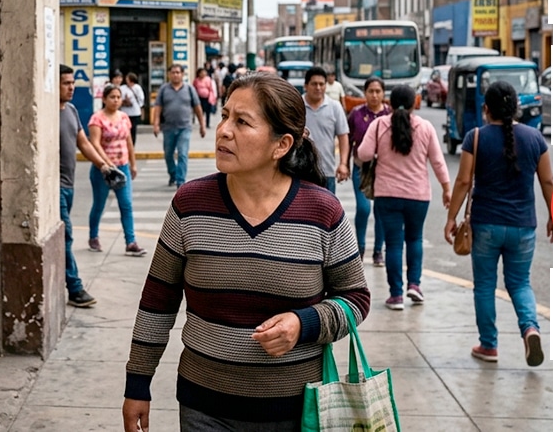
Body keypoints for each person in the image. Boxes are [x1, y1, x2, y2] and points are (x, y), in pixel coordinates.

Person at [123, 73, 370, 431]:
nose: (223, 130)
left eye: (242, 122)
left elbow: (356, 298)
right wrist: (137, 384)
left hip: (297, 411)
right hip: (203, 407)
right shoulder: (190, 204)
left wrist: (305, 323)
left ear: (281, 145)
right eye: (225, 115)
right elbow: (157, 301)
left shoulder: (323, 211)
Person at [445, 80, 553, 366]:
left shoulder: (476, 137)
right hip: (523, 226)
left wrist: (451, 217)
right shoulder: (535, 138)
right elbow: (547, 181)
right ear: (517, 108)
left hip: (485, 225)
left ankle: (489, 345)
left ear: (486, 109)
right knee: (520, 284)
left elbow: (464, 180)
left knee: (484, 285)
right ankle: (530, 328)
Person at [357, 85, 451, 311]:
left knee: (393, 244)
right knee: (415, 239)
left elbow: (363, 154)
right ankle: (415, 285)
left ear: (389, 102)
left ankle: (396, 295)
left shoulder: (379, 125)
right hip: (418, 196)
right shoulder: (425, 127)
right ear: (413, 104)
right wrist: (447, 188)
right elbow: (437, 162)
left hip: (387, 194)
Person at [59, 65, 117, 308]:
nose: (71, 87)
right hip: (56, 187)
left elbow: (83, 143)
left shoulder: (71, 110)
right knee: (67, 235)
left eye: (72, 82)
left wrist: (105, 165)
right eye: (66, 83)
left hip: (69, 185)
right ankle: (74, 287)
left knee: (65, 235)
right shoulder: (46, 113)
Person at [89, 84, 146, 256]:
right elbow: (95, 144)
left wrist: (133, 164)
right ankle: (93, 236)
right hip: (103, 169)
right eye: (112, 97)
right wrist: (107, 164)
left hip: (122, 167)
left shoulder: (123, 117)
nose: (115, 100)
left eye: (118, 97)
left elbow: (129, 143)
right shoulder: (97, 119)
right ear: (104, 99)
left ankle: (131, 241)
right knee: (99, 204)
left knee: (126, 204)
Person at [347, 76, 390, 268]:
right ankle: (361, 247)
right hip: (361, 167)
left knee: (381, 210)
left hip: (384, 168)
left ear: (383, 93)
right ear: (365, 93)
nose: (374, 95)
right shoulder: (356, 114)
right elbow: (347, 140)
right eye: (371, 91)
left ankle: (378, 251)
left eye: (378, 91)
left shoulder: (390, 114)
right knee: (363, 208)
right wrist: (344, 164)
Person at [152, 64, 206, 188]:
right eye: (173, 72)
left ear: (182, 74)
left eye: (178, 72)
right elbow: (158, 107)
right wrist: (156, 124)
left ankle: (180, 181)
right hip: (168, 127)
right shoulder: (164, 89)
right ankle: (173, 173)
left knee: (182, 153)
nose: (175, 74)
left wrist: (202, 125)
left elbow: (197, 107)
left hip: (185, 127)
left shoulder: (189, 89)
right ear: (169, 74)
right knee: (168, 154)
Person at [302, 66, 349, 193]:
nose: (318, 87)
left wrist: (343, 164)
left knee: (327, 212)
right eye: (314, 84)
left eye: (321, 84)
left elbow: (343, 136)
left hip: (326, 172)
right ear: (306, 86)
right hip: (300, 172)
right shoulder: (297, 106)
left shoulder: (335, 107)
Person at [120, 72, 145, 144]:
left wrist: (134, 103)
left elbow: (141, 99)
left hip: (135, 112)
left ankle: (132, 144)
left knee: (133, 130)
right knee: (125, 129)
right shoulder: (123, 88)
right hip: (125, 112)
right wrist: (124, 101)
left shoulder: (137, 88)